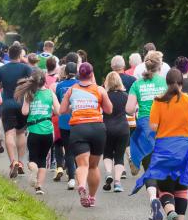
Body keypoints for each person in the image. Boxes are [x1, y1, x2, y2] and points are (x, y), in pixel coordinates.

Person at [132, 69, 188, 220]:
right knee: (181, 189)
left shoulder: (158, 101)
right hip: (185, 148)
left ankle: (170, 211)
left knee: (164, 187)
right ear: (182, 83)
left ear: (166, 83)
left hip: (165, 147)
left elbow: (153, 127)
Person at [60, 63, 113, 208]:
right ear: (91, 74)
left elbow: (62, 110)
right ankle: (91, 197)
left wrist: (73, 106)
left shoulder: (71, 90)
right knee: (94, 166)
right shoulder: (99, 90)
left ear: (79, 74)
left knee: (82, 164)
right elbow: (109, 110)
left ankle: (82, 185)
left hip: (79, 128)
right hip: (97, 128)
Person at [127, 53, 169, 220]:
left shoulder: (137, 84)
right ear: (160, 66)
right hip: (164, 127)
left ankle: (153, 199)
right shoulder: (166, 84)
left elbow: (129, 109)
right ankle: (167, 201)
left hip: (145, 127)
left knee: (149, 167)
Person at [17, 68, 59, 195]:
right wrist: (49, 106)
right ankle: (39, 187)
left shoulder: (29, 94)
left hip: (33, 131)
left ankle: (33, 170)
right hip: (48, 131)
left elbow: (24, 112)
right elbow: (57, 111)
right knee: (43, 160)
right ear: (44, 80)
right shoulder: (51, 93)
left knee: (33, 159)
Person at [0, 44, 34, 177]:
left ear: (8, 55)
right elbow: (34, 82)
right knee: (21, 133)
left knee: (9, 134)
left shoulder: (2, 69)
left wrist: (3, 84)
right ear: (19, 55)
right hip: (22, 104)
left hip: (7, 105)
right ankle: (20, 161)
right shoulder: (26, 68)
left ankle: (13, 162)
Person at [102, 72, 131, 193]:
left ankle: (108, 173)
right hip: (123, 129)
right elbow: (130, 112)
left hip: (107, 128)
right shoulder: (125, 96)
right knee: (119, 156)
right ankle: (118, 183)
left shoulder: (104, 96)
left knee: (107, 153)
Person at [53, 60, 79, 187]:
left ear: (66, 72)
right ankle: (80, 174)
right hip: (78, 120)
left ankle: (72, 178)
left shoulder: (60, 85)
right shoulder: (80, 84)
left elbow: (58, 102)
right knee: (79, 149)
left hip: (64, 121)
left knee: (68, 150)